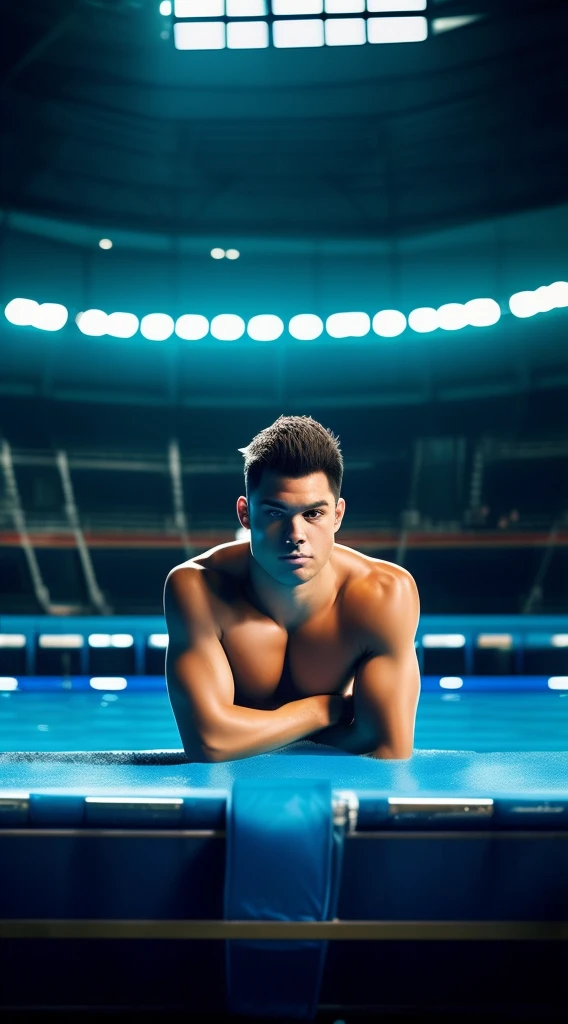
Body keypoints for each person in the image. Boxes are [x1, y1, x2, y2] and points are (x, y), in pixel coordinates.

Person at [164, 415, 421, 762]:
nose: (295, 535)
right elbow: (209, 742)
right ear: (245, 514)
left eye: (313, 514)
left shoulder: (384, 595)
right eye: (274, 513)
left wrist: (241, 729)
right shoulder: (197, 588)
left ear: (337, 516)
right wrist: (320, 711)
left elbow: (386, 749)